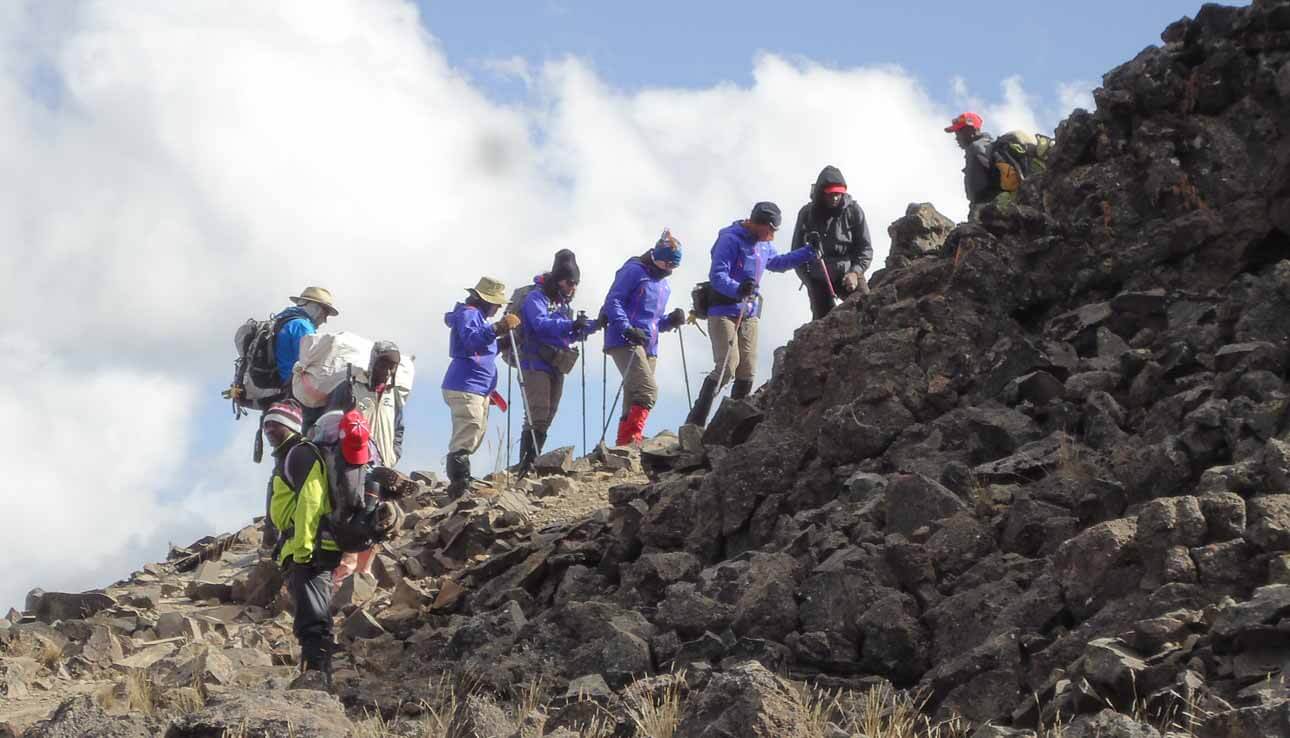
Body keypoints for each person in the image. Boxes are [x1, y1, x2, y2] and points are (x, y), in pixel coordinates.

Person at [686, 202, 820, 427]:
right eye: (772, 230)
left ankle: (730, 426)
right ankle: (695, 423)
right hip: (723, 311)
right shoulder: (730, 239)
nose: (773, 236)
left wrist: (808, 252)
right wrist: (738, 289)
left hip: (749, 312)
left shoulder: (763, 244)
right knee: (728, 367)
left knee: (747, 369)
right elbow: (717, 275)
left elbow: (777, 262)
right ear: (759, 224)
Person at [262, 400, 342, 691]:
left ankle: (316, 679)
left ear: (292, 426)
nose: (269, 429)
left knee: (314, 616)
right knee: (310, 613)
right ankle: (316, 675)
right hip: (301, 547)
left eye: (276, 424)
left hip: (310, 549)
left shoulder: (300, 454)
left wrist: (304, 551)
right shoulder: (290, 454)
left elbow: (310, 501)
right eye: (266, 424)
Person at [327, 341, 408, 586]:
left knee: (379, 516)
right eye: (384, 362)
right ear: (373, 360)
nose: (387, 369)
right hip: (354, 461)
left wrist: (393, 453)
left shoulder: (394, 395)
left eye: (392, 365)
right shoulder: (351, 388)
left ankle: (365, 570)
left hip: (383, 463)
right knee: (354, 512)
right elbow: (331, 421)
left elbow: (399, 427)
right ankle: (344, 569)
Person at [515, 250, 598, 475]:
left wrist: (590, 325)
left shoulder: (562, 305)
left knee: (549, 413)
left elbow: (566, 335)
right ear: (558, 279)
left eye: (576, 283)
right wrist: (571, 326)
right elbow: (540, 324)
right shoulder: (536, 298)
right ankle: (526, 465)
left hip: (556, 362)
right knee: (538, 412)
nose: (573, 287)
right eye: (570, 282)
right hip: (534, 362)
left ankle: (531, 462)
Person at [601, 231, 687, 446]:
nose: (668, 269)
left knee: (633, 396)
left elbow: (653, 321)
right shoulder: (634, 271)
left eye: (673, 266)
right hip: (625, 340)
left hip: (649, 346)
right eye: (666, 263)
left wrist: (671, 321)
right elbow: (614, 301)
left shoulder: (664, 285)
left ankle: (624, 446)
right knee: (648, 392)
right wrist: (626, 328)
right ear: (656, 255)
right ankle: (633, 439)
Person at [442, 277, 520, 498]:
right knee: (469, 429)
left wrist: (500, 338)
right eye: (496, 303)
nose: (498, 308)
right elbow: (471, 341)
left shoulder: (476, 317)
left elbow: (480, 350)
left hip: (474, 386)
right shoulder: (469, 314)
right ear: (485, 300)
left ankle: (462, 479)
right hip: (466, 385)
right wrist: (498, 328)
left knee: (474, 431)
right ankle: (459, 484)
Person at [790, 166, 874, 319]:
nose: (835, 198)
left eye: (839, 194)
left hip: (848, 273)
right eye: (831, 194)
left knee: (868, 309)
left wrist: (855, 272)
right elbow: (796, 253)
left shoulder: (853, 211)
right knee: (821, 324)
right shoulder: (807, 214)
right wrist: (810, 282)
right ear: (822, 193)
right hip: (818, 279)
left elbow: (865, 248)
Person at [276, 287, 340, 386]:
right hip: (290, 386)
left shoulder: (282, 320)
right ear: (316, 308)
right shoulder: (303, 326)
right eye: (325, 313)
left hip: (273, 382)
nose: (324, 320)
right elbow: (312, 363)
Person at [946, 112, 998, 221]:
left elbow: (989, 177)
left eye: (959, 132)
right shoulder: (987, 145)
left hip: (985, 206)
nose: (957, 138)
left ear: (970, 130)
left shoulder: (976, 148)